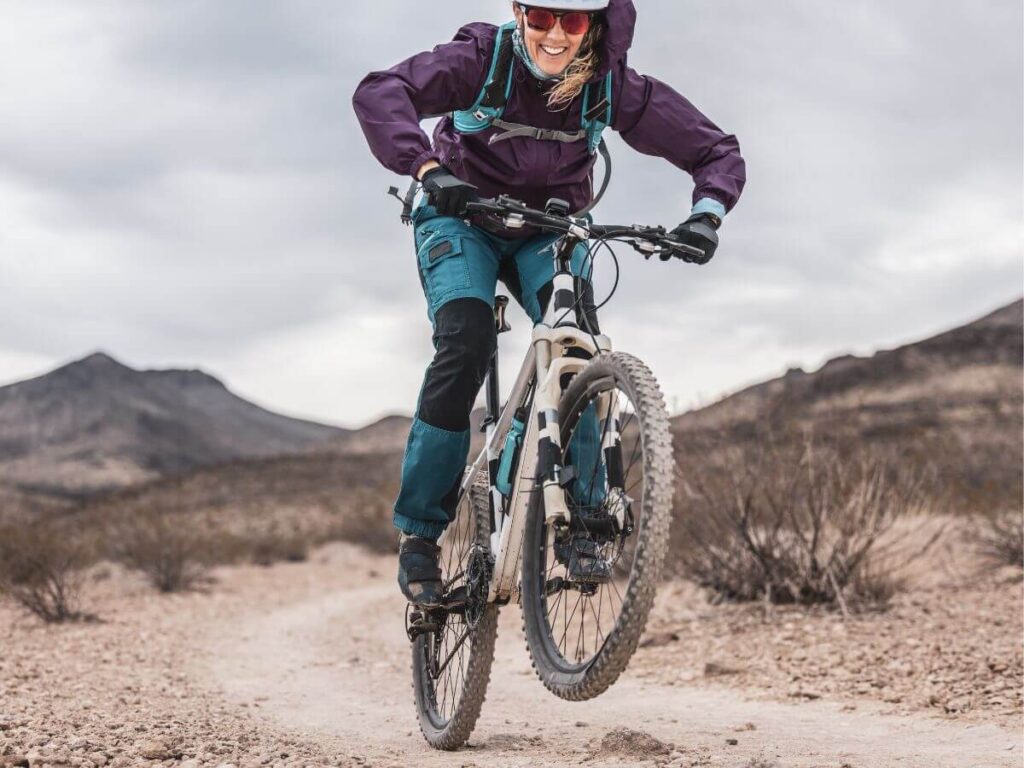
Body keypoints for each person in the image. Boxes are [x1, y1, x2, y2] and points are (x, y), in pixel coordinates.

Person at [353, 0, 746, 607]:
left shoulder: (609, 86)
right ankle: (421, 535)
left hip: (549, 231)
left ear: (595, 25)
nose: (556, 34)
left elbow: (714, 149)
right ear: (519, 13)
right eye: (541, 17)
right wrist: (428, 168)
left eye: (574, 20)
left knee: (578, 348)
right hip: (461, 217)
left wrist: (707, 214)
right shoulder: (482, 61)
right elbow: (382, 92)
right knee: (466, 340)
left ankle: (581, 519)